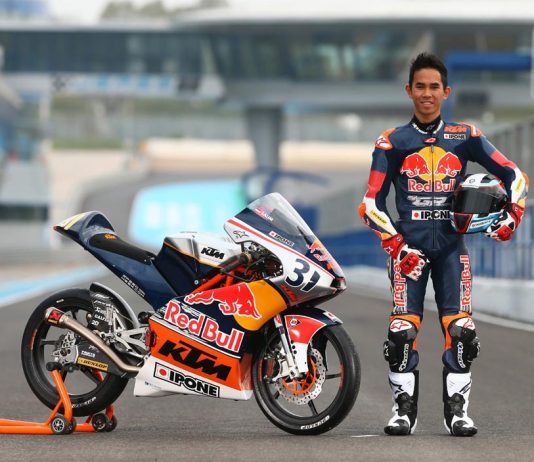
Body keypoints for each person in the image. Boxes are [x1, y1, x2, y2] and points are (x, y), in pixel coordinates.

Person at [359, 52, 528, 436]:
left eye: (434, 86)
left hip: (453, 249)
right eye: (420, 86)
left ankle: (458, 413)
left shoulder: (466, 136)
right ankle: (403, 411)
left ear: (446, 92)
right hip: (408, 252)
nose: (427, 93)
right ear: (408, 90)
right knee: (401, 333)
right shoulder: (391, 142)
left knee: (462, 331)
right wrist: (398, 247)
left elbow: (515, 175)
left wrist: (512, 216)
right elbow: (370, 204)